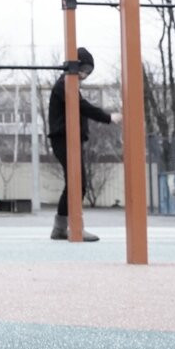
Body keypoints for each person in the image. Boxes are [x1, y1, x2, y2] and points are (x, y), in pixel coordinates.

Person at [47, 47, 122, 241]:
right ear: (75, 66)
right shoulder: (63, 84)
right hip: (63, 138)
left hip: (68, 138)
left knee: (75, 183)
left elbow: (79, 107)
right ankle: (72, 227)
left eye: (89, 72)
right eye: (84, 70)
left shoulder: (69, 85)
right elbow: (82, 107)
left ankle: (60, 227)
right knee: (77, 184)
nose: (85, 75)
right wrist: (108, 117)